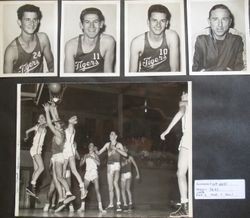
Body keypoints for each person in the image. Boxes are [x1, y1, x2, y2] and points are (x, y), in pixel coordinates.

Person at [160, 91, 191, 218]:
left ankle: (185, 206)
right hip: (201, 138)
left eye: (184, 93)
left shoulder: (184, 103)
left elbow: (180, 113)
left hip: (189, 137)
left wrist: (166, 131)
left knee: (181, 173)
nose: (181, 95)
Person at [192, 4, 245, 72]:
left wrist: (208, 70)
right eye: (215, 19)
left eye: (224, 19)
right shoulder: (200, 39)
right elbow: (195, 70)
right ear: (209, 21)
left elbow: (239, 69)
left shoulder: (237, 40)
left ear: (230, 22)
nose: (220, 24)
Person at [43, 102, 75, 212]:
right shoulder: (61, 132)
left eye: (56, 124)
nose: (55, 124)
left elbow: (49, 122)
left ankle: (68, 193)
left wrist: (47, 111)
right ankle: (62, 197)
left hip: (58, 157)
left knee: (60, 177)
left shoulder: (58, 133)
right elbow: (56, 119)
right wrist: (53, 108)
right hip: (58, 157)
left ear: (59, 127)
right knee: (58, 178)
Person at [4, 4, 54, 74]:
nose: (32, 23)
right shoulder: (11, 50)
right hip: (19, 84)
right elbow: (7, 82)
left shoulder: (43, 39)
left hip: (39, 83)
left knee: (55, 85)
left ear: (38, 21)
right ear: (19, 22)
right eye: (27, 20)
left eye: (35, 19)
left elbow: (51, 66)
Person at [129, 4, 179, 72]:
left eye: (162, 21)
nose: (158, 25)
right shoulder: (137, 42)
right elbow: (132, 75)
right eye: (154, 20)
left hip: (166, 81)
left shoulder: (172, 37)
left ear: (167, 23)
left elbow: (175, 71)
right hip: (146, 80)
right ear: (148, 22)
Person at [64, 7, 116, 73]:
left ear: (101, 24)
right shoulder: (71, 45)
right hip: (78, 83)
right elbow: (68, 78)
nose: (92, 26)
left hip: (99, 82)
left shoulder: (108, 42)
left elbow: (108, 74)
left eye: (95, 22)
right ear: (81, 25)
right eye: (87, 22)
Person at [98, 131, 127, 212]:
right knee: (110, 187)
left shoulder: (119, 144)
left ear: (116, 136)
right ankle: (111, 204)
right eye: (110, 134)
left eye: (112, 134)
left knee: (115, 183)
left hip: (117, 165)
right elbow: (99, 152)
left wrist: (116, 149)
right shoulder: (107, 144)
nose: (110, 135)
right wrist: (95, 150)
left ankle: (118, 204)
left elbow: (125, 154)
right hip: (109, 166)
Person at [62, 116, 86, 199]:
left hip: (67, 149)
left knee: (64, 170)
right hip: (71, 150)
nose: (70, 118)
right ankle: (82, 187)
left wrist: (73, 120)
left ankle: (64, 192)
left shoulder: (71, 127)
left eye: (72, 119)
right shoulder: (69, 128)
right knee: (74, 170)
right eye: (71, 118)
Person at [78, 143, 106, 213]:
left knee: (97, 190)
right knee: (83, 190)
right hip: (87, 173)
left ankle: (100, 208)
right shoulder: (86, 155)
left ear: (93, 148)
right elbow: (80, 165)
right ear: (88, 147)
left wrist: (92, 157)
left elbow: (99, 164)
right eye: (90, 145)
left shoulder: (96, 155)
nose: (91, 146)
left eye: (92, 146)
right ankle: (82, 207)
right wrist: (83, 159)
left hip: (94, 172)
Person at [25, 114, 47, 197]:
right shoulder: (41, 126)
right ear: (38, 120)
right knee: (41, 168)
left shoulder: (37, 126)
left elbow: (26, 131)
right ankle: (31, 186)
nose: (43, 118)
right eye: (41, 117)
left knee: (36, 170)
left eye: (43, 117)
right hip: (36, 150)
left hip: (35, 150)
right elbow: (48, 123)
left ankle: (30, 188)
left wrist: (27, 137)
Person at [120, 146, 140, 211]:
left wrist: (138, 174)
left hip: (127, 174)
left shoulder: (130, 157)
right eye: (123, 149)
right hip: (125, 174)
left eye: (125, 149)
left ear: (127, 150)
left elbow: (135, 165)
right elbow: (121, 166)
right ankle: (126, 204)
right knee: (124, 190)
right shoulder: (121, 157)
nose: (124, 150)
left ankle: (129, 204)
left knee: (126, 189)